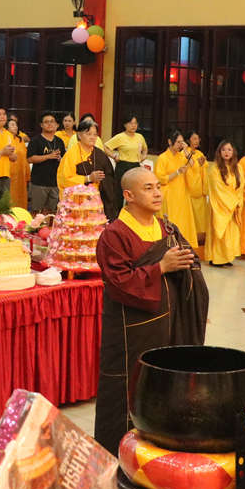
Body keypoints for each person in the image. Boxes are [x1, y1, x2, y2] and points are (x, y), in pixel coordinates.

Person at [94, 167, 207, 455]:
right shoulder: (114, 235)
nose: (157, 193)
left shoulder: (167, 228)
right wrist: (161, 267)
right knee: (127, 393)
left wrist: (186, 267)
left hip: (169, 325)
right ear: (128, 195)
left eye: (158, 186)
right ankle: (116, 456)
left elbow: (190, 263)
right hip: (131, 333)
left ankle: (158, 452)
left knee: (163, 388)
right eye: (148, 188)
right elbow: (119, 283)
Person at [57, 118, 121, 220]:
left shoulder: (100, 154)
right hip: (78, 203)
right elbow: (65, 179)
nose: (92, 137)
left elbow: (110, 178)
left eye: (95, 134)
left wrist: (103, 184)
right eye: (89, 134)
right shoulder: (71, 154)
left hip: (97, 201)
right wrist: (88, 178)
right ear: (79, 135)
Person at [153, 129, 198, 246]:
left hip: (182, 194)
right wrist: (177, 172)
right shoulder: (162, 158)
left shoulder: (182, 156)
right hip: (169, 195)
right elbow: (160, 178)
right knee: (170, 222)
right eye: (178, 142)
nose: (180, 145)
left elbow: (193, 166)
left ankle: (183, 246)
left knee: (183, 222)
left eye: (182, 142)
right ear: (170, 142)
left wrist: (186, 150)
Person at [204, 141, 244, 267]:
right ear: (219, 152)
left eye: (229, 150)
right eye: (224, 150)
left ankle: (226, 258)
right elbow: (218, 189)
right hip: (219, 205)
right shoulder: (214, 169)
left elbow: (241, 186)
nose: (226, 152)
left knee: (230, 234)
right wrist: (232, 201)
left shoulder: (238, 168)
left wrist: (237, 202)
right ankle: (216, 259)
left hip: (233, 206)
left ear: (233, 152)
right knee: (219, 232)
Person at [26, 111, 65, 215]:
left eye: (52, 121)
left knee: (51, 213)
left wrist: (60, 158)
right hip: (39, 182)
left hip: (55, 182)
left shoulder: (59, 141)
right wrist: (48, 156)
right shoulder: (35, 140)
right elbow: (30, 159)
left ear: (57, 125)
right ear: (41, 125)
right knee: (37, 212)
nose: (49, 124)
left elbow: (64, 159)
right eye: (46, 122)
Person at [104, 114, 148, 181]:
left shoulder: (140, 137)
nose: (133, 125)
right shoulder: (120, 137)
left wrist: (143, 157)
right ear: (125, 125)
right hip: (123, 166)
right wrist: (114, 156)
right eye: (130, 123)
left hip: (136, 166)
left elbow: (145, 149)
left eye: (135, 123)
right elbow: (105, 147)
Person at [7, 115, 30, 209]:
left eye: (16, 125)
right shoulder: (5, 139)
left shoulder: (20, 140)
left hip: (21, 173)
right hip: (9, 174)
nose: (15, 127)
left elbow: (25, 157)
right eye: (12, 125)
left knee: (21, 196)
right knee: (9, 197)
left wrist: (27, 174)